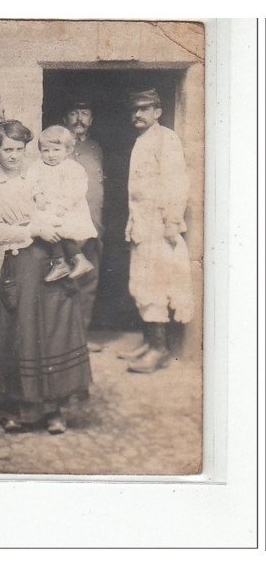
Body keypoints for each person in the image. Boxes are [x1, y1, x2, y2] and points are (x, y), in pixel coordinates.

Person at [0, 120, 92, 434]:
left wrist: (58, 231)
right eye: (6, 150)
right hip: (20, 263)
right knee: (22, 336)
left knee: (54, 333)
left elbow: (70, 206)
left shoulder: (40, 174)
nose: (13, 156)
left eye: (18, 149)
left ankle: (55, 409)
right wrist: (33, 229)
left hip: (52, 262)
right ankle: (16, 407)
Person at [120, 88, 193, 374]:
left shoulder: (166, 138)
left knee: (156, 284)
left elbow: (176, 182)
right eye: (135, 109)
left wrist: (172, 222)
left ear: (158, 112)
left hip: (160, 224)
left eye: (145, 108)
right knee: (141, 282)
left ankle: (160, 350)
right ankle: (149, 342)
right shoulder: (143, 140)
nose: (138, 114)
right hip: (142, 222)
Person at [27, 125, 97, 282]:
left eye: (56, 150)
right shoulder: (37, 166)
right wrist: (37, 194)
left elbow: (77, 189)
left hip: (67, 208)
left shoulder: (72, 168)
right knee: (49, 228)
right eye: (46, 150)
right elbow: (31, 181)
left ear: (68, 150)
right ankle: (62, 262)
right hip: (47, 208)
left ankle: (76, 260)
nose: (51, 155)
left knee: (61, 229)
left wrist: (64, 205)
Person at [62, 96, 105, 348]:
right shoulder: (57, 149)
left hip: (94, 227)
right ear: (64, 118)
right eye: (74, 113)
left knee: (88, 284)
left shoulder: (95, 148)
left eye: (85, 114)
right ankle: (64, 341)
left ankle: (80, 339)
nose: (79, 119)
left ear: (92, 119)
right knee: (66, 283)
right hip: (68, 230)